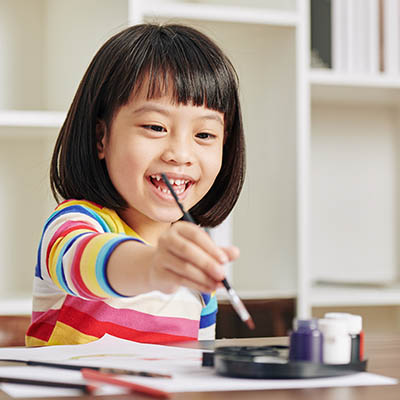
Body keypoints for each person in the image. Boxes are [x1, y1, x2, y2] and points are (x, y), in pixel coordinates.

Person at [25, 23, 245, 346]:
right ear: (101, 137)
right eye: (156, 127)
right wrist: (154, 266)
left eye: (204, 135)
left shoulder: (194, 269)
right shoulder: (74, 224)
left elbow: (199, 368)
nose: (180, 155)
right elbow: (90, 261)